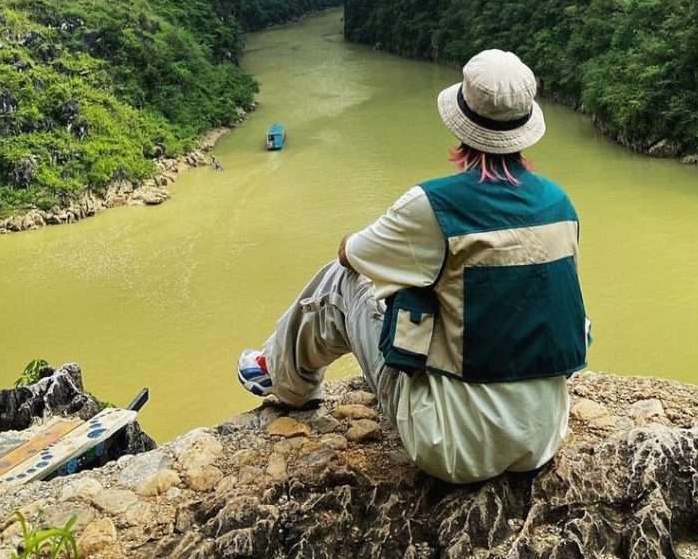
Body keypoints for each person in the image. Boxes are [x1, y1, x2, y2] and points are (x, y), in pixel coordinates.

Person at [237, 49, 590, 484]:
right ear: (525, 129)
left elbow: (352, 256)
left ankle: (286, 380)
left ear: (461, 124)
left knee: (341, 283)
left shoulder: (434, 206)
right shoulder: (561, 206)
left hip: (452, 446)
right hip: (542, 438)